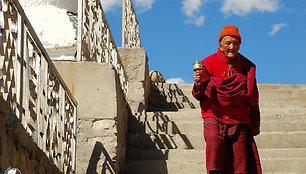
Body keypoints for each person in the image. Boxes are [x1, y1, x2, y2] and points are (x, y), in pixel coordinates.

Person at [192, 25, 262, 174]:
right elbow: (199, 94)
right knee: (213, 140)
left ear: (240, 45)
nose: (231, 47)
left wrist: (253, 119)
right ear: (220, 45)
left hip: (239, 117)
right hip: (213, 114)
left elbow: (252, 96)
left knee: (240, 160)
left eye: (235, 43)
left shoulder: (247, 66)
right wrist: (197, 83)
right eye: (228, 43)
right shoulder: (208, 63)